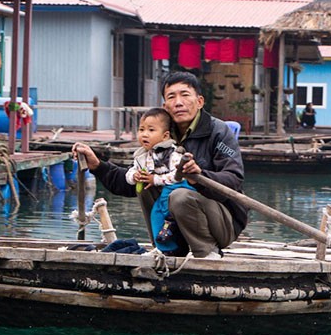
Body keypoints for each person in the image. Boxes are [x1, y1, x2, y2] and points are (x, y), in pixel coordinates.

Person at [73, 71, 248, 259]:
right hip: (178, 221)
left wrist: (200, 176)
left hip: (223, 221)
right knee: (145, 184)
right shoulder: (161, 133)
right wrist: (97, 165)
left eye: (185, 95)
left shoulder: (219, 133)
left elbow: (233, 180)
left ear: (199, 102)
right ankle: (167, 249)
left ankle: (205, 252)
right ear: (165, 105)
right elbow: (129, 183)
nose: (178, 102)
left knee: (180, 195)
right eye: (171, 97)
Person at [124, 107, 188, 251]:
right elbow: (130, 172)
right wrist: (134, 176)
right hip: (161, 194)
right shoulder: (143, 155)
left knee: (162, 214)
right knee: (156, 216)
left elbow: (178, 176)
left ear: (165, 136)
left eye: (151, 130)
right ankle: (163, 247)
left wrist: (155, 180)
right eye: (141, 130)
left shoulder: (172, 154)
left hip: (177, 189)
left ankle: (170, 242)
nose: (144, 134)